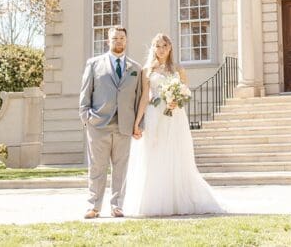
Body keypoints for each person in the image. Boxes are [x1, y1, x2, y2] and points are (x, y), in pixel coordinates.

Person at [122, 33, 223, 217]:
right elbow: (145, 96)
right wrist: (137, 122)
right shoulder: (147, 70)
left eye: (164, 46)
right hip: (154, 114)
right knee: (154, 153)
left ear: (170, 48)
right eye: (157, 46)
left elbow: (186, 93)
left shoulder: (178, 69)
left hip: (174, 116)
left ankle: (177, 200)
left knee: (175, 154)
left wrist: (177, 99)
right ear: (153, 48)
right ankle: (155, 201)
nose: (160, 50)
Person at [78, 25, 144, 219]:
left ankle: (117, 206)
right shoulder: (94, 64)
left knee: (121, 169)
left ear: (126, 40)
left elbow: (140, 98)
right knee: (97, 168)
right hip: (98, 125)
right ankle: (94, 206)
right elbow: (85, 94)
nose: (119, 42)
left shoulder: (136, 68)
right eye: (115, 38)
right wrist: (87, 119)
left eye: (122, 38)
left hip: (124, 126)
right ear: (108, 41)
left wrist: (139, 125)